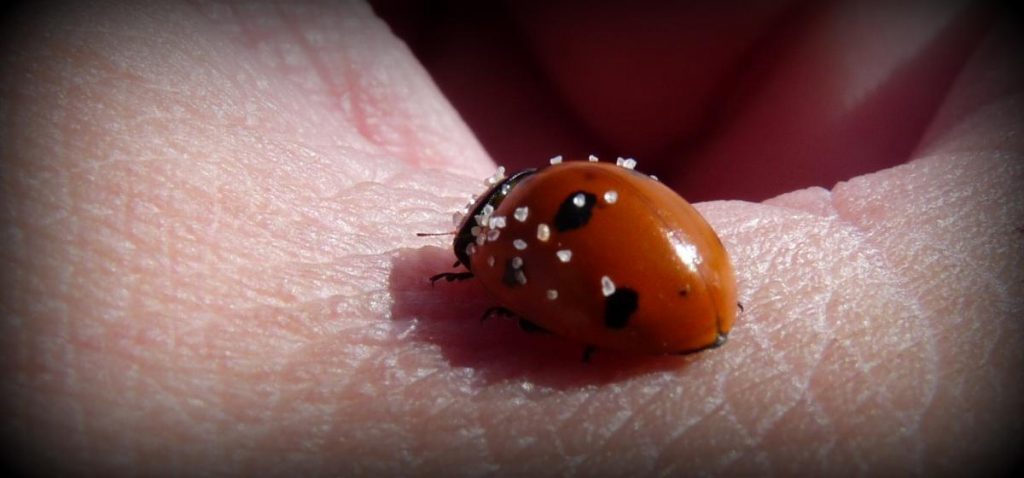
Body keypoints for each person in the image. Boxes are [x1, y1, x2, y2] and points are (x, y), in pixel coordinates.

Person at [1, 1, 1020, 475]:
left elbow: (537, 260)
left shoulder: (522, 233)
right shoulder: (546, 202)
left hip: (678, 295)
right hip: (686, 283)